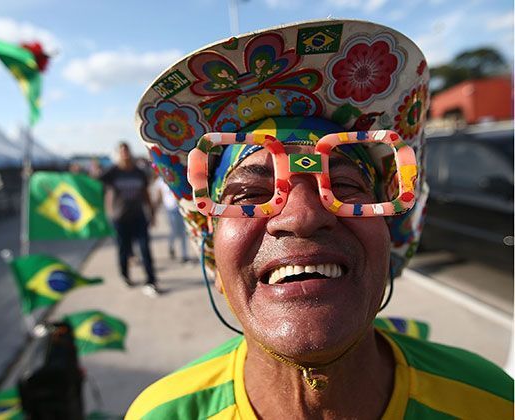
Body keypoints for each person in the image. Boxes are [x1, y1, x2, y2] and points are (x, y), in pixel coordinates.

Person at [126, 19, 513, 418]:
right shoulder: (160, 413)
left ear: (390, 235)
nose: (303, 216)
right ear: (212, 254)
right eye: (250, 194)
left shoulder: (491, 402)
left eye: (344, 186)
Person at [100, 142, 159, 297]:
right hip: (120, 219)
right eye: (122, 151)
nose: (125, 154)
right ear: (118, 154)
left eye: (126, 150)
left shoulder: (139, 172)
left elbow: (145, 194)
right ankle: (125, 276)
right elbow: (96, 184)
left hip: (138, 216)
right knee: (123, 249)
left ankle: (151, 280)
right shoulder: (113, 172)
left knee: (145, 249)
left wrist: (151, 213)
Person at [152, 174, 190, 262]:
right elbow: (159, 197)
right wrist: (154, 212)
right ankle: (171, 246)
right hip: (170, 209)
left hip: (181, 207)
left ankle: (184, 255)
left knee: (183, 232)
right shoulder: (160, 181)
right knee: (174, 230)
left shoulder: (179, 175)